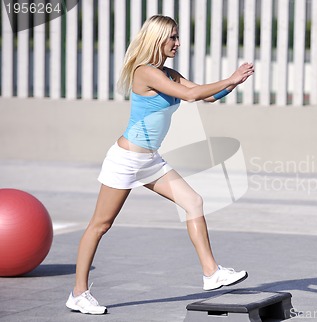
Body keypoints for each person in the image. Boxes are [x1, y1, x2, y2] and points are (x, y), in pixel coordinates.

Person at [65, 15, 254, 315]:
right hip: (126, 160)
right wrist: (229, 78)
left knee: (193, 201)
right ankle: (78, 293)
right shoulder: (145, 72)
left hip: (150, 160)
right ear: (158, 39)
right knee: (100, 225)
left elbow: (205, 96)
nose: (178, 43)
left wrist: (234, 83)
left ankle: (211, 272)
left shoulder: (169, 74)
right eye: (173, 38)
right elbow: (192, 94)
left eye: (178, 38)